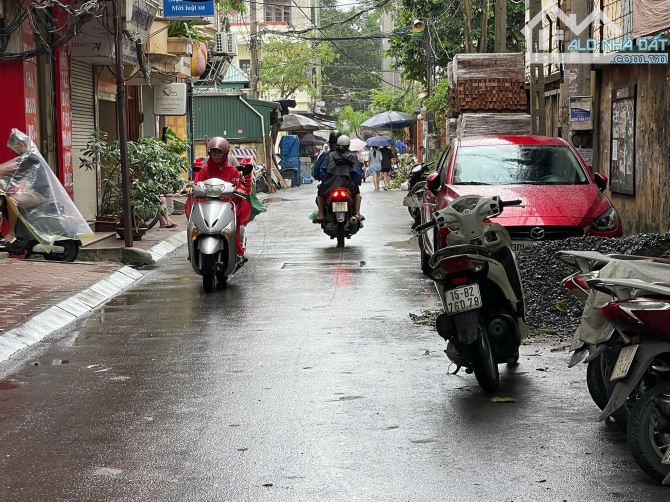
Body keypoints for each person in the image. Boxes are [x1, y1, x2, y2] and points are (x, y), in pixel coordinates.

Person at [193, 137, 252, 257]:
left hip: (227, 204)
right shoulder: (204, 170)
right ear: (210, 153)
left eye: (219, 152)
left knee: (233, 227)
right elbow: (197, 182)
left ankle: (236, 250)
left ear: (225, 153)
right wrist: (192, 187)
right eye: (213, 152)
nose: (216, 155)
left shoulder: (232, 170)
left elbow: (238, 184)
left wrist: (239, 189)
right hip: (207, 204)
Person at [0, 130, 50, 250]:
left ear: (20, 145)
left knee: (12, 200)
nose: (13, 151)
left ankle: (11, 233)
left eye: (14, 148)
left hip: (39, 194)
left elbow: (8, 169)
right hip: (31, 191)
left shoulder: (30, 158)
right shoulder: (26, 157)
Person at [314, 135, 363, 223]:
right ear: (348, 145)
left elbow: (322, 170)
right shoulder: (352, 156)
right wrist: (357, 182)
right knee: (357, 193)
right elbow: (357, 172)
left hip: (330, 184)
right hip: (348, 184)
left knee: (320, 193)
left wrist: (324, 180)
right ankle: (358, 213)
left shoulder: (329, 155)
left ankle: (321, 214)